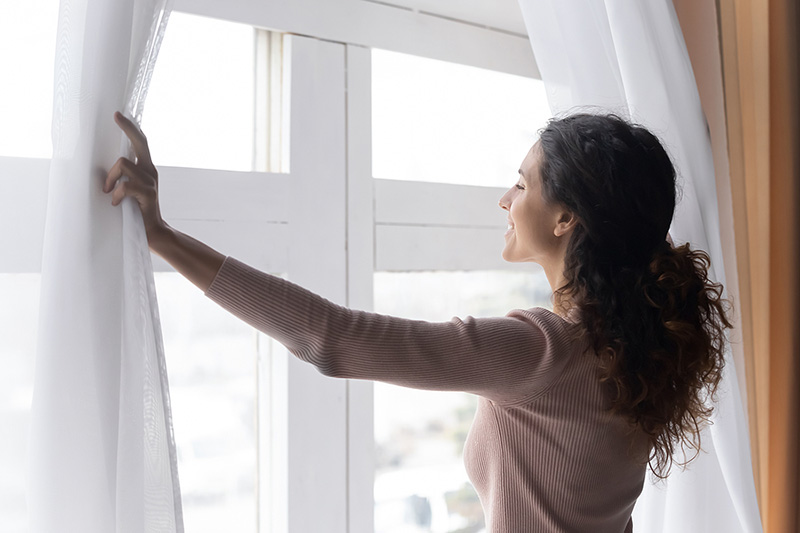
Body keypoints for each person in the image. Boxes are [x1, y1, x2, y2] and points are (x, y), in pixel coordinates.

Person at [104, 110, 732, 532]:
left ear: (566, 218)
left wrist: (162, 236)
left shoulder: (544, 349)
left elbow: (333, 339)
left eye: (521, 184)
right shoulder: (642, 346)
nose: (506, 199)